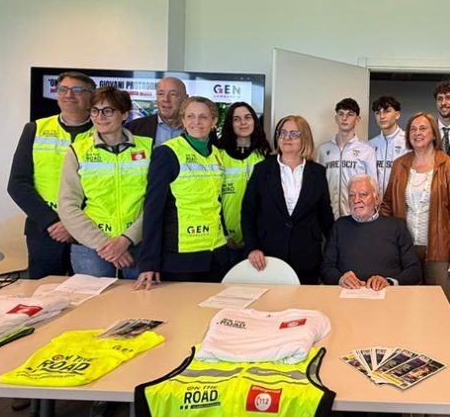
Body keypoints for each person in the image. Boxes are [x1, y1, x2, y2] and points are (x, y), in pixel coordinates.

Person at [321, 174, 421, 417]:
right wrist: (340, 277)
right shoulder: (340, 227)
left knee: (387, 365)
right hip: (347, 312)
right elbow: (326, 268)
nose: (357, 200)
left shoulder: (395, 227)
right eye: (352, 195)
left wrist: (389, 281)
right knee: (342, 359)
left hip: (388, 315)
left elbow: (414, 271)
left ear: (376, 198)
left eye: (363, 195)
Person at [7, 70, 96, 279]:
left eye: (77, 90)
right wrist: (52, 222)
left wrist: (75, 224)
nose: (69, 95)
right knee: (43, 293)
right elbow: (17, 184)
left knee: (90, 292)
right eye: (63, 89)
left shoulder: (105, 132)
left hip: (90, 231)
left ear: (91, 97)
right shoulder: (35, 129)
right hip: (46, 231)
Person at [57, 86, 150, 280]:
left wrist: (126, 239)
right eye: (95, 111)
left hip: (138, 244)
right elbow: (67, 205)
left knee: (141, 298)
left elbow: (155, 202)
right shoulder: (77, 151)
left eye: (108, 111)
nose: (100, 117)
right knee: (94, 300)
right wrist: (105, 245)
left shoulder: (148, 148)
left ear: (124, 114)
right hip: (92, 248)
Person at [135, 97, 227, 289]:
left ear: (213, 122)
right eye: (190, 116)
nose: (196, 122)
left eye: (203, 117)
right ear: (183, 121)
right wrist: (149, 261)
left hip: (216, 254)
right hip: (180, 257)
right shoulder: (167, 153)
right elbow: (153, 210)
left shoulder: (216, 154)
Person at [380, 112, 450, 314]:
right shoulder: (400, 165)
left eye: (423, 128)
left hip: (440, 250)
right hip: (405, 249)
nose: (417, 133)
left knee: (441, 310)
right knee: (406, 309)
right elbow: (387, 204)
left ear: (434, 134)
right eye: (413, 129)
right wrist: (385, 242)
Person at [241, 115, 334, 284]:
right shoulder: (262, 170)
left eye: (293, 134)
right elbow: (248, 212)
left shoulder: (318, 172)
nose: (286, 138)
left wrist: (335, 252)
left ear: (305, 138)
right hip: (268, 256)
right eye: (282, 133)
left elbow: (325, 216)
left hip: (307, 255)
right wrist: (252, 248)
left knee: (305, 300)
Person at [216, 102, 270, 263]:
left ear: (254, 120)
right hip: (225, 240)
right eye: (236, 119)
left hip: (259, 240)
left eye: (247, 117)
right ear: (230, 124)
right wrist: (225, 235)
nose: (243, 123)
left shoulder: (264, 154)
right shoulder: (218, 155)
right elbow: (213, 198)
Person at [316, 98, 376, 219]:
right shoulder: (323, 150)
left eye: (350, 114)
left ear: (357, 119)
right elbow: (316, 184)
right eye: (341, 114)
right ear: (336, 118)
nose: (344, 118)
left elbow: (373, 186)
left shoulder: (367, 150)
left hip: (355, 216)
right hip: (328, 215)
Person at [127, 76, 188, 145]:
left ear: (185, 99)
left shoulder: (195, 128)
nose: (166, 99)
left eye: (173, 94)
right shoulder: (133, 128)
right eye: (161, 94)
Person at [368, 95, 408, 194]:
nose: (382, 116)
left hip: (400, 200)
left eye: (387, 111)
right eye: (378, 113)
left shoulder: (409, 142)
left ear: (397, 115)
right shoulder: (369, 145)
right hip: (375, 201)